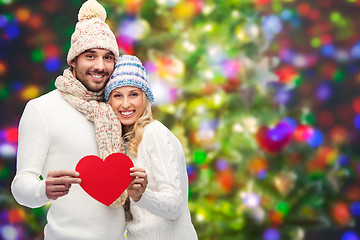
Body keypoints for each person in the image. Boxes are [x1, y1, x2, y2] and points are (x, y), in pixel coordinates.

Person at [11, 1, 147, 239]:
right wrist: (42, 189)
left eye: (108, 58)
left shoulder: (116, 109)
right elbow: (21, 185)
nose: (100, 66)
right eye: (90, 56)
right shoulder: (42, 109)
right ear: (73, 60)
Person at [104, 54, 198, 239]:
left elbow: (173, 206)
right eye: (117, 95)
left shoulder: (154, 133)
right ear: (109, 101)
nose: (125, 104)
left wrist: (140, 196)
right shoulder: (121, 142)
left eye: (133, 94)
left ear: (145, 98)